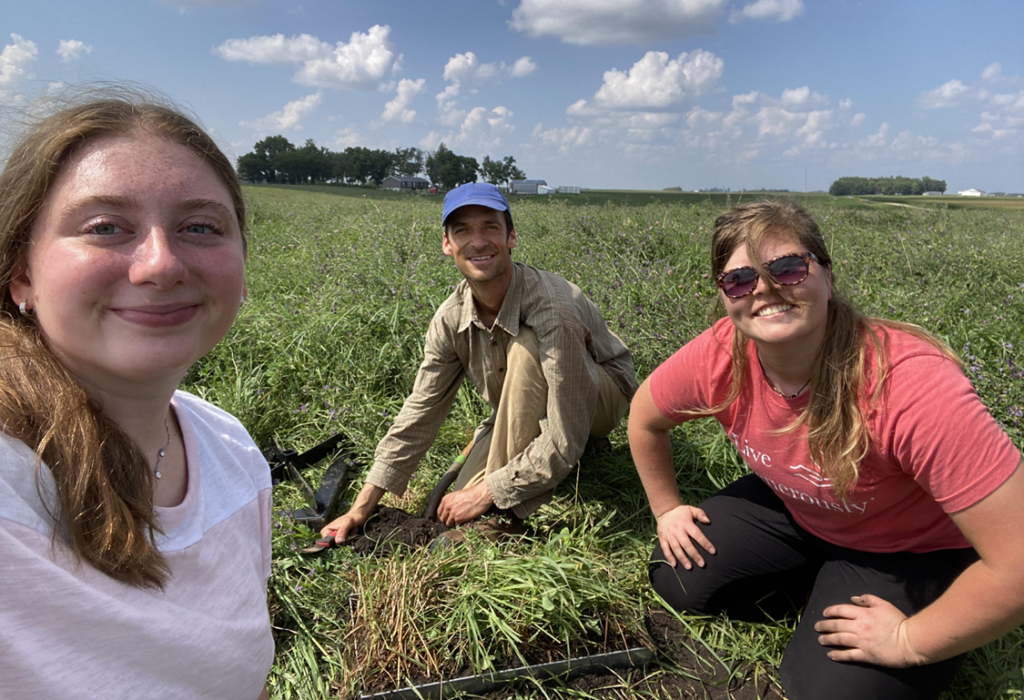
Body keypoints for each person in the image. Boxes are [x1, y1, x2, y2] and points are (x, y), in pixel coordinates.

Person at [628, 200, 1023, 700]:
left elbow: (1019, 562)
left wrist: (908, 640)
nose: (766, 289)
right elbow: (644, 417)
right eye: (741, 279)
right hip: (801, 508)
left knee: (833, 692)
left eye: (788, 268)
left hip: (910, 549)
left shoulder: (910, 385)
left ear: (827, 276)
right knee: (675, 574)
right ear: (725, 297)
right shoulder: (722, 351)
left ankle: (877, 598)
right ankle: (824, 580)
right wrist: (666, 509)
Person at [0, 96, 274, 700]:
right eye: (105, 228)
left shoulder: (231, 452)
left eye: (200, 227)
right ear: (22, 273)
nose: (161, 264)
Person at [323, 182, 637, 543]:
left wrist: (489, 493)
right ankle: (522, 476)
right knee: (455, 499)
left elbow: (566, 430)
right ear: (447, 245)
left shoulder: (552, 309)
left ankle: (505, 518)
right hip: (526, 406)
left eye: (490, 227)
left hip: (598, 399)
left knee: (525, 345)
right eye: (463, 231)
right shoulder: (450, 318)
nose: (478, 242)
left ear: (511, 237)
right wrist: (360, 508)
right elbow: (421, 410)